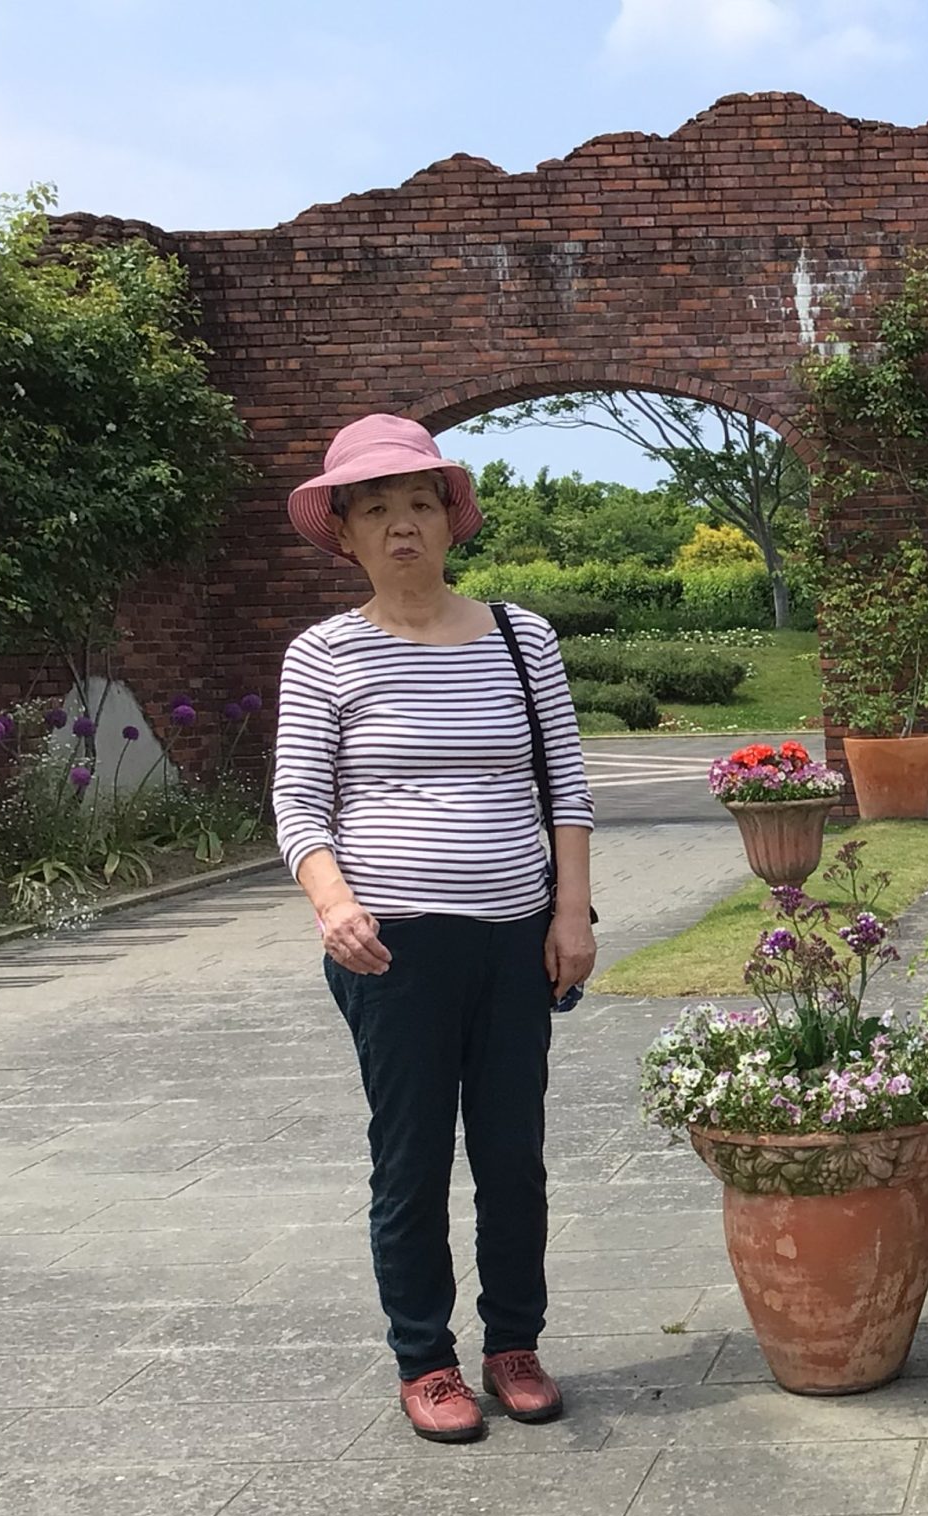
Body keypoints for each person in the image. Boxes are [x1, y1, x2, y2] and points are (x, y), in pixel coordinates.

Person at [274, 414, 596, 1444]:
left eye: (420, 503)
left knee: (513, 1155)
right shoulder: (324, 655)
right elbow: (298, 806)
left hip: (515, 939)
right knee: (410, 1158)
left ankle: (514, 1346)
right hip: (393, 950)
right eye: (376, 509)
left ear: (452, 519)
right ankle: (426, 1359)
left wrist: (571, 913)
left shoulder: (521, 637)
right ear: (344, 533)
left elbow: (567, 790)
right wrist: (334, 904)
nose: (402, 524)